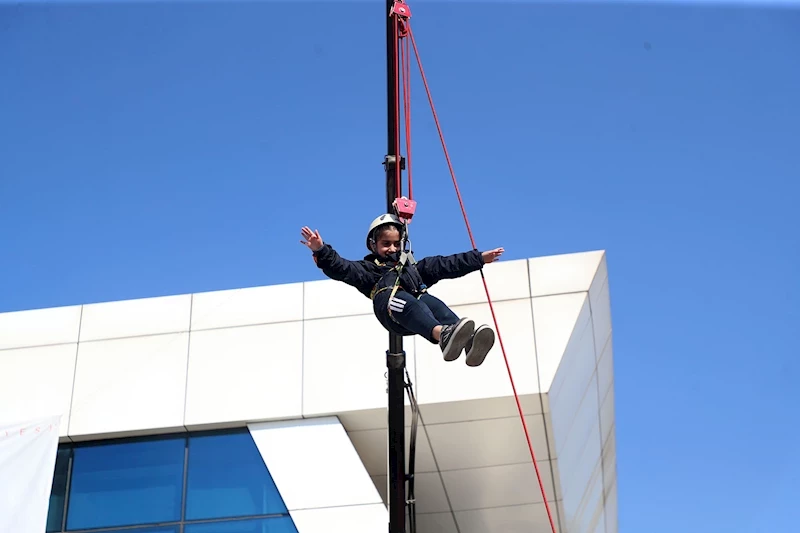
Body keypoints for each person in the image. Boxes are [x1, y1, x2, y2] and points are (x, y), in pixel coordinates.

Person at [300, 214, 504, 367]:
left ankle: (465, 341)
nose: (392, 248)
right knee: (404, 300)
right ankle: (442, 334)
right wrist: (321, 250)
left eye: (397, 244)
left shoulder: (413, 270)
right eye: (386, 244)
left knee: (430, 302)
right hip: (390, 309)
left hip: (414, 312)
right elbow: (341, 267)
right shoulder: (368, 270)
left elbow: (444, 264)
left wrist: (479, 259)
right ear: (374, 245)